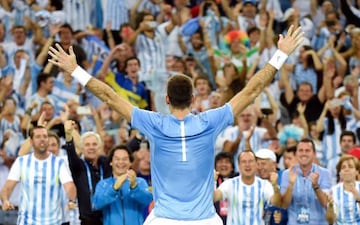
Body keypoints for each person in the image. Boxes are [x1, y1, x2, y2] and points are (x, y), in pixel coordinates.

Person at [48, 25, 304, 225]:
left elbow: (108, 96)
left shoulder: (153, 123)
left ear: (166, 99)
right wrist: (280, 54)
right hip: (205, 219)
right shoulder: (210, 120)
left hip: (163, 219)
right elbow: (252, 90)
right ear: (193, 99)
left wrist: (75, 70)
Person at [0, 125, 77, 225]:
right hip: (27, 221)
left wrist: (71, 200)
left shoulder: (59, 163)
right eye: (38, 137)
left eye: (45, 136)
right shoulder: (21, 162)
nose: (42, 139)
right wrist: (5, 200)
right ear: (31, 142)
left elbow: (69, 186)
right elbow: (7, 187)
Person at [213, 150, 281, 225]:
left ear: (256, 164)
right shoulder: (230, 184)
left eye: (250, 161)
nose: (247, 165)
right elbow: (214, 198)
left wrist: (275, 186)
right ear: (239, 165)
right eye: (244, 162)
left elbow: (276, 203)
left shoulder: (264, 185)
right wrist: (213, 182)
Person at [63, 121, 112, 225]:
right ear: (82, 148)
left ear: (100, 147)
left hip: (107, 218)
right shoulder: (78, 166)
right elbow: (71, 154)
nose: (91, 147)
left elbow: (122, 154)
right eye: (87, 145)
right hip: (86, 219)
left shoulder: (106, 164)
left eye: (94, 144)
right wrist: (68, 135)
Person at [92, 144, 153, 225]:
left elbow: (147, 200)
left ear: (130, 162)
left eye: (125, 159)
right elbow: (96, 204)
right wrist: (114, 188)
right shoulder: (103, 184)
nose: (121, 162)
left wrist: (134, 187)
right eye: (117, 159)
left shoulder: (140, 182)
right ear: (111, 162)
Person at [281, 138, 331, 225]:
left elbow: (325, 203)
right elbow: (284, 205)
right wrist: (291, 185)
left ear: (314, 154)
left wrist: (316, 186)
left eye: (307, 150)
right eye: (301, 150)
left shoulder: (324, 173)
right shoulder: (287, 174)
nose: (304, 153)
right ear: (296, 153)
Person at [326, 155, 360, 224]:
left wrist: (358, 199)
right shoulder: (334, 190)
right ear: (340, 173)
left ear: (357, 171)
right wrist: (330, 206)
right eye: (343, 167)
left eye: (350, 166)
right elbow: (331, 221)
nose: (346, 169)